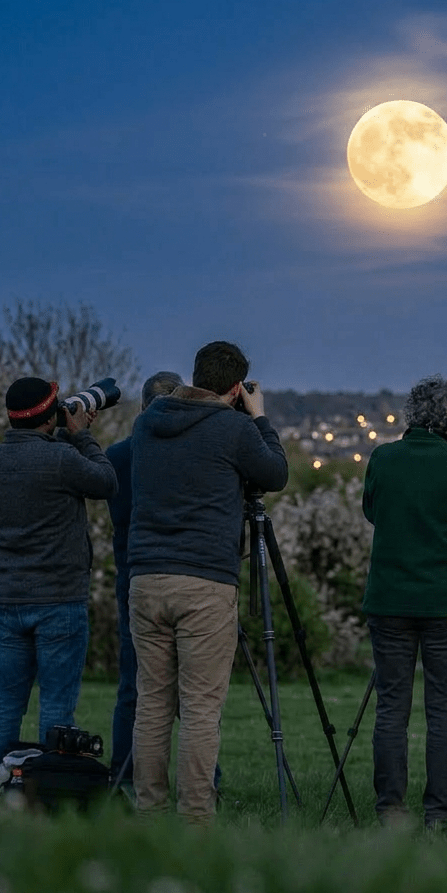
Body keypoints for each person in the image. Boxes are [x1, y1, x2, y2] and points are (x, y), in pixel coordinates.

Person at [126, 341, 288, 822]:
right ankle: (195, 818)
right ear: (236, 387)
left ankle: (149, 812)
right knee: (200, 708)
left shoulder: (146, 424)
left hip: (146, 577)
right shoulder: (234, 429)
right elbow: (275, 473)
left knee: (152, 703)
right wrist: (259, 417)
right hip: (204, 581)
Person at [361, 375, 447, 829]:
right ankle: (439, 812)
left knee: (391, 707)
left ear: (411, 414)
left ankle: (390, 808)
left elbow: (370, 509)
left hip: (389, 600)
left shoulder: (383, 458)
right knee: (443, 708)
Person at [0, 377, 118, 767]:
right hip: (59, 599)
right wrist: (81, 435)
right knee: (56, 705)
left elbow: (33, 461)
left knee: (6, 702)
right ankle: (47, 793)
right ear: (49, 417)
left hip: (8, 598)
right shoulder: (61, 459)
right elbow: (107, 481)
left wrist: (59, 434)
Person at [104, 370, 184, 787]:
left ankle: (124, 773)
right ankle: (204, 780)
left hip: (133, 577)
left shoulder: (118, 457)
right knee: (193, 693)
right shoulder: (190, 456)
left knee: (133, 687)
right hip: (187, 575)